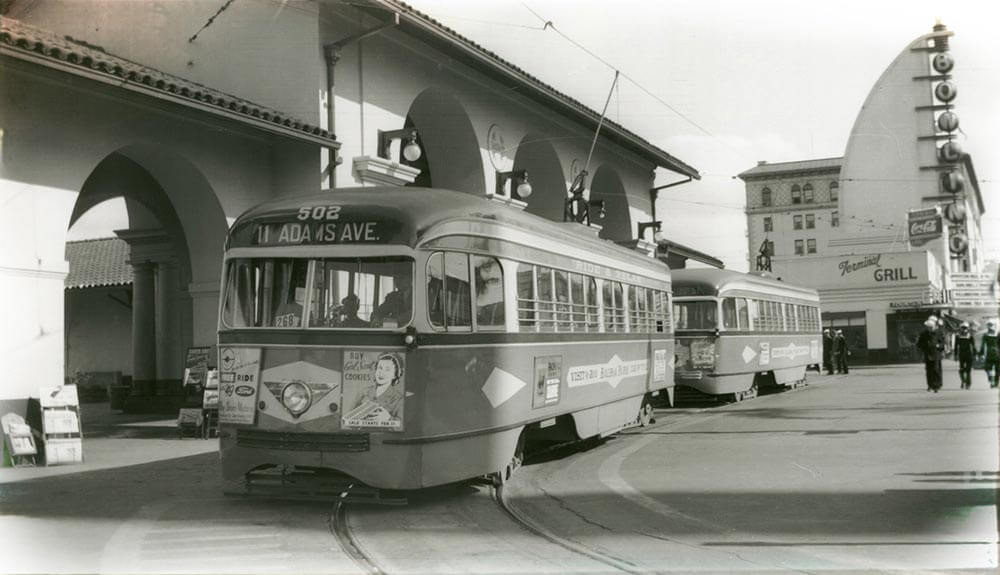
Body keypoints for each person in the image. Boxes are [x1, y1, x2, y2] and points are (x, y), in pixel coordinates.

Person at [917, 316, 945, 392]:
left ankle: (937, 385)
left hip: (936, 354)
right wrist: (925, 346)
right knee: (929, 370)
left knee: (936, 370)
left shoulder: (938, 333)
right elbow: (919, 344)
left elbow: (943, 343)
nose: (929, 329)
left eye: (931, 327)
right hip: (927, 354)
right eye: (928, 327)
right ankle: (930, 385)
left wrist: (939, 346)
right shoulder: (923, 334)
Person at [953, 321, 976, 390]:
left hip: (969, 354)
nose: (964, 329)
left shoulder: (970, 336)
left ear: (968, 328)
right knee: (961, 370)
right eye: (962, 328)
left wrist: (975, 355)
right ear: (960, 328)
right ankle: (963, 381)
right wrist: (955, 355)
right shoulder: (958, 336)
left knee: (968, 370)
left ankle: (968, 384)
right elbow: (956, 346)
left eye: (965, 328)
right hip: (961, 355)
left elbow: (973, 346)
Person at [979, 319, 999, 389]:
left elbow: (982, 345)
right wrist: (981, 354)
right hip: (992, 354)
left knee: (994, 369)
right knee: (989, 368)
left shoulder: (996, 334)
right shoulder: (986, 335)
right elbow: (982, 345)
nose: (990, 327)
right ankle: (993, 381)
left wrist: (981, 354)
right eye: (989, 325)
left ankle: (994, 382)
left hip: (995, 354)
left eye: (991, 325)